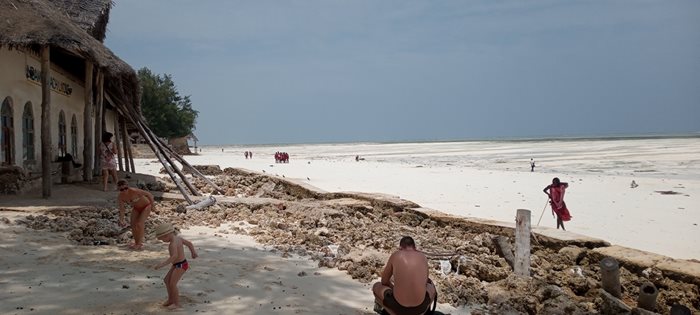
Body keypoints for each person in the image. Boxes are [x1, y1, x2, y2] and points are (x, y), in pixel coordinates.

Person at [372, 236, 436, 315]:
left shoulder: (396, 255)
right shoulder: (423, 257)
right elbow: (425, 282)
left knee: (376, 286)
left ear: (400, 247)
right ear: (415, 247)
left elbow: (384, 281)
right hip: (419, 309)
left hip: (398, 309)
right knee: (431, 286)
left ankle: (382, 309)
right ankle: (426, 312)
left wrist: (392, 287)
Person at [153, 222, 198, 309]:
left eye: (162, 239)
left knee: (172, 284)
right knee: (166, 280)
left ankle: (176, 303)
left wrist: (162, 264)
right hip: (177, 265)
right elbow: (189, 243)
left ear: (166, 235)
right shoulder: (178, 238)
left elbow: (174, 256)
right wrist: (193, 252)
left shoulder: (172, 244)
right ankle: (170, 300)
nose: (163, 241)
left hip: (181, 265)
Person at [117, 179, 154, 250]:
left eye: (125, 188)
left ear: (128, 186)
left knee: (140, 224)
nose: (124, 191)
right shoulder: (120, 197)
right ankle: (136, 242)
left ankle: (140, 243)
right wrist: (121, 219)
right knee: (133, 225)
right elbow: (122, 209)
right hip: (136, 208)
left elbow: (149, 194)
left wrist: (153, 206)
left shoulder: (135, 191)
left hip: (146, 206)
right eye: (122, 189)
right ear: (119, 189)